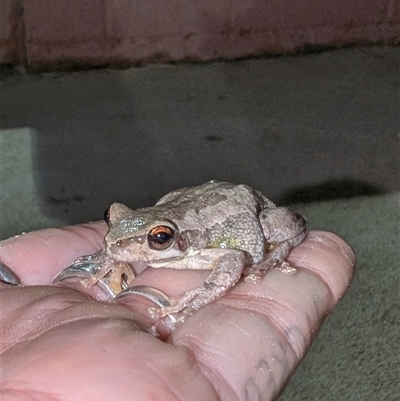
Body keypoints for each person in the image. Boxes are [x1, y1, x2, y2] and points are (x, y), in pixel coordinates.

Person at [0, 222, 355, 401]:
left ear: (174, 238)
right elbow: (118, 242)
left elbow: (233, 257)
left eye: (157, 238)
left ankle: (278, 250)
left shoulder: (198, 248)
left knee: (281, 228)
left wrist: (202, 295)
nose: (115, 239)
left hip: (234, 222)